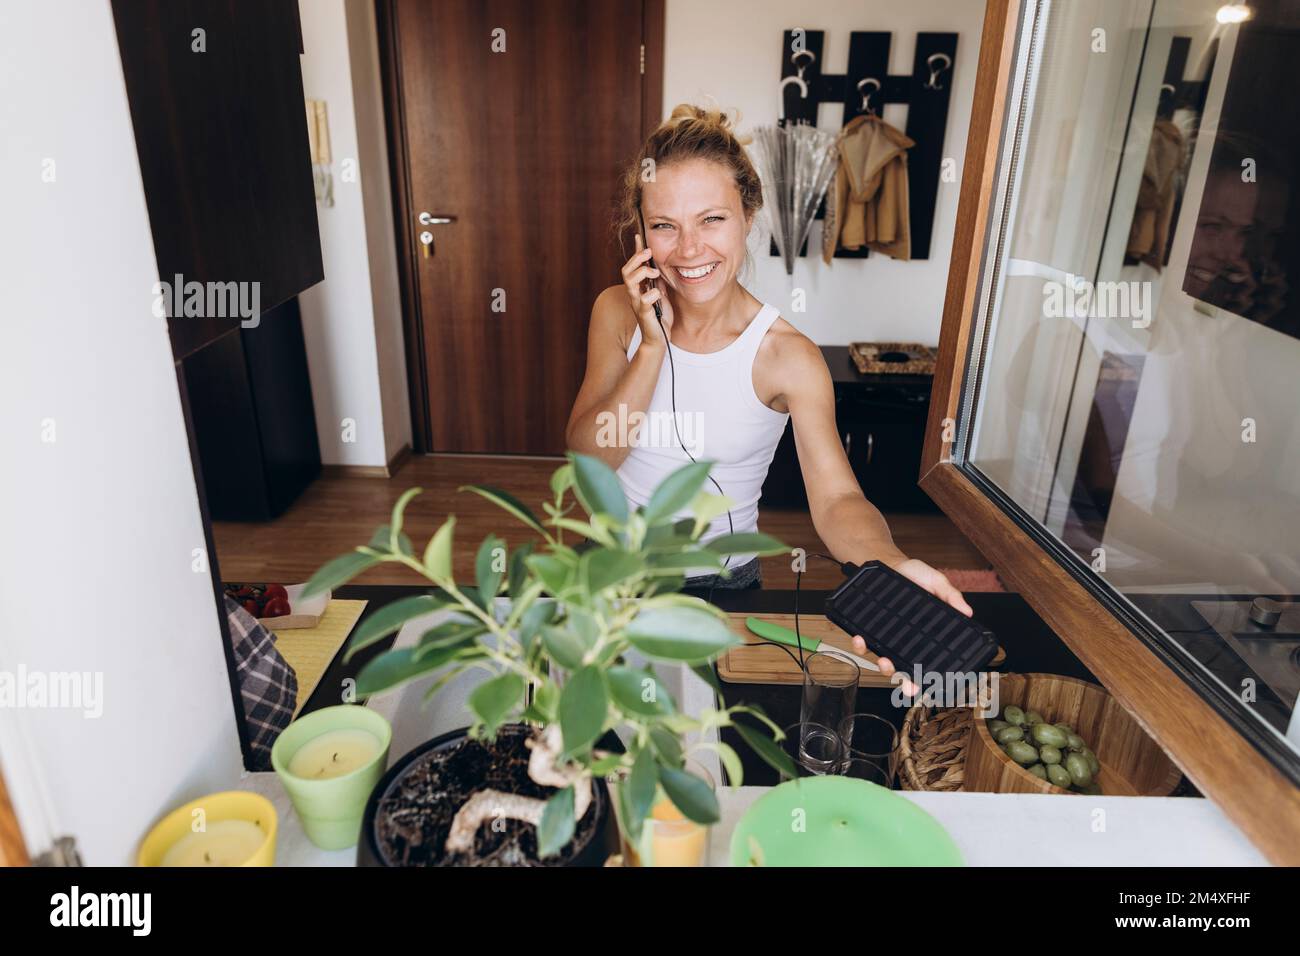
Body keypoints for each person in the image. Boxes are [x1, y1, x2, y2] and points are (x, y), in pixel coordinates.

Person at [565, 105, 973, 687]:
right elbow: (586, 462)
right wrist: (651, 349)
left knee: (708, 748)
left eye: (711, 219)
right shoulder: (616, 312)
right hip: (607, 571)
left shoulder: (788, 357)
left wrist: (890, 566)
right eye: (665, 225)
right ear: (640, 231)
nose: (687, 250)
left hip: (719, 589)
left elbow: (836, 501)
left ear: (748, 216)